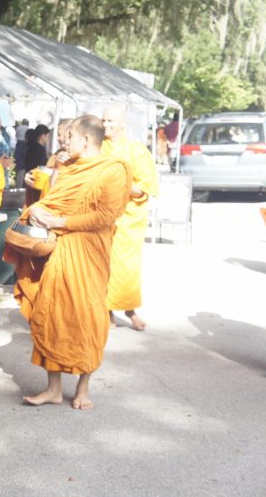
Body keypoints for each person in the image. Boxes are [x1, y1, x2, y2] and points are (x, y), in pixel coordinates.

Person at [11, 115, 131, 410]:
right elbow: (52, 200)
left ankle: (82, 388)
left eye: (70, 137)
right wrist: (39, 208)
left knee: (87, 317)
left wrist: (58, 221)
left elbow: (105, 216)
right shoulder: (69, 166)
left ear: (87, 140)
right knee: (52, 311)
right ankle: (53, 388)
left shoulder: (113, 171)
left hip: (89, 252)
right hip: (60, 249)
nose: (65, 142)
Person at [102, 104, 159, 330]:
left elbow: (144, 187)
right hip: (103, 216)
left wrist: (121, 184)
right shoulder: (98, 149)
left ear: (122, 123)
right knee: (103, 264)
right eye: (104, 120)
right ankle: (106, 311)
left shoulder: (136, 150)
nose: (106, 125)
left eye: (110, 121)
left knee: (127, 267)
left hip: (129, 218)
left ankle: (130, 309)